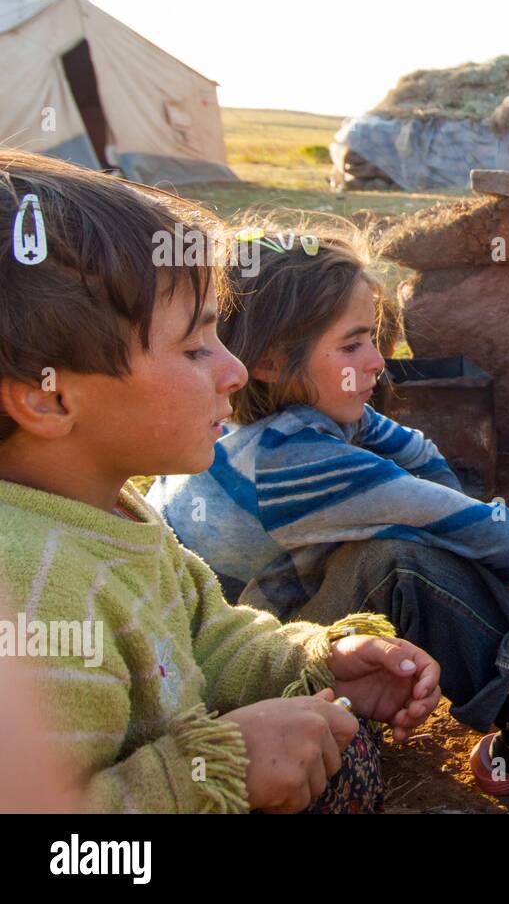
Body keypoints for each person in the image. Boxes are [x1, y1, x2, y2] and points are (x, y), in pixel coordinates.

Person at [0, 150, 440, 813]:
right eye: (196, 347)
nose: (234, 371)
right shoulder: (33, 594)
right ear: (49, 399)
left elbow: (207, 635)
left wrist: (318, 658)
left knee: (335, 736)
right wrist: (217, 765)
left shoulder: (113, 512)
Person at [148, 221, 509, 795]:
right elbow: (456, 519)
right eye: (352, 345)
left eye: (372, 336)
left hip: (263, 622)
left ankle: (489, 664)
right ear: (271, 360)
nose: (379, 359)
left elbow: (421, 461)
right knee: (405, 559)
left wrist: (468, 543)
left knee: (429, 538)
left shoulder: (292, 412)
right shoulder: (286, 458)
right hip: (236, 680)